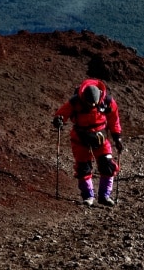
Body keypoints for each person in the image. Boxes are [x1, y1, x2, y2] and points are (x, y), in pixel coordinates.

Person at [52, 78, 123, 206]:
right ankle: (88, 196)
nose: (93, 106)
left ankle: (104, 196)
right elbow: (61, 114)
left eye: (95, 104)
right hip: (80, 138)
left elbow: (114, 120)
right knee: (83, 168)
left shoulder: (107, 101)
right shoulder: (75, 102)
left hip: (100, 137)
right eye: (90, 104)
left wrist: (117, 137)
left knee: (107, 165)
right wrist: (58, 120)